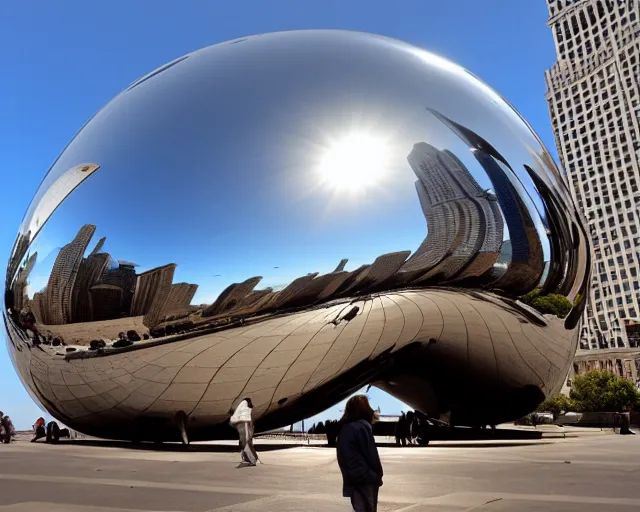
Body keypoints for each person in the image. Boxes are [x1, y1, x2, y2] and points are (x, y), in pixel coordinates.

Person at [336, 395, 383, 512]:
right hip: (365, 477)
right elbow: (371, 455)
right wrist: (377, 475)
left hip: (354, 477)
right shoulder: (361, 428)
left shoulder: (346, 428)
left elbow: (343, 457)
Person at [229, 398, 259, 466]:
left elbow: (245, 420)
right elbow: (249, 421)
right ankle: (249, 459)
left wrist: (246, 433)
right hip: (247, 428)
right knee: (248, 444)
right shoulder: (248, 409)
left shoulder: (244, 407)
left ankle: (251, 460)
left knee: (245, 444)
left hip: (244, 428)